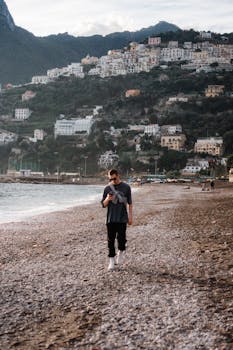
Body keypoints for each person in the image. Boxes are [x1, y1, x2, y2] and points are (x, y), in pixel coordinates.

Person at [101, 169, 133, 271]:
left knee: (122, 239)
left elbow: (130, 203)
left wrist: (130, 217)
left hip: (122, 218)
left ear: (118, 175)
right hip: (110, 218)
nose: (113, 180)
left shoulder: (126, 187)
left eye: (114, 178)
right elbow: (103, 205)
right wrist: (107, 199)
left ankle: (121, 251)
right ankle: (111, 261)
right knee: (110, 241)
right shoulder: (107, 188)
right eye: (110, 179)